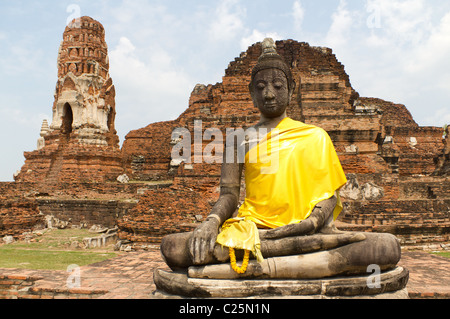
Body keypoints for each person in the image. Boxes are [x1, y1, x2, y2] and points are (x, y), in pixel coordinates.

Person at [160, 39, 401, 279]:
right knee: (173, 248)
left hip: (306, 231)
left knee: (385, 248)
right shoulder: (238, 140)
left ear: (291, 89)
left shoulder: (315, 136)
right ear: (252, 93)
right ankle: (297, 264)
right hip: (252, 230)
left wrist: (313, 222)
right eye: (261, 87)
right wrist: (211, 222)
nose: (268, 93)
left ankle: (247, 267)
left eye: (277, 85)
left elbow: (329, 196)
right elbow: (229, 195)